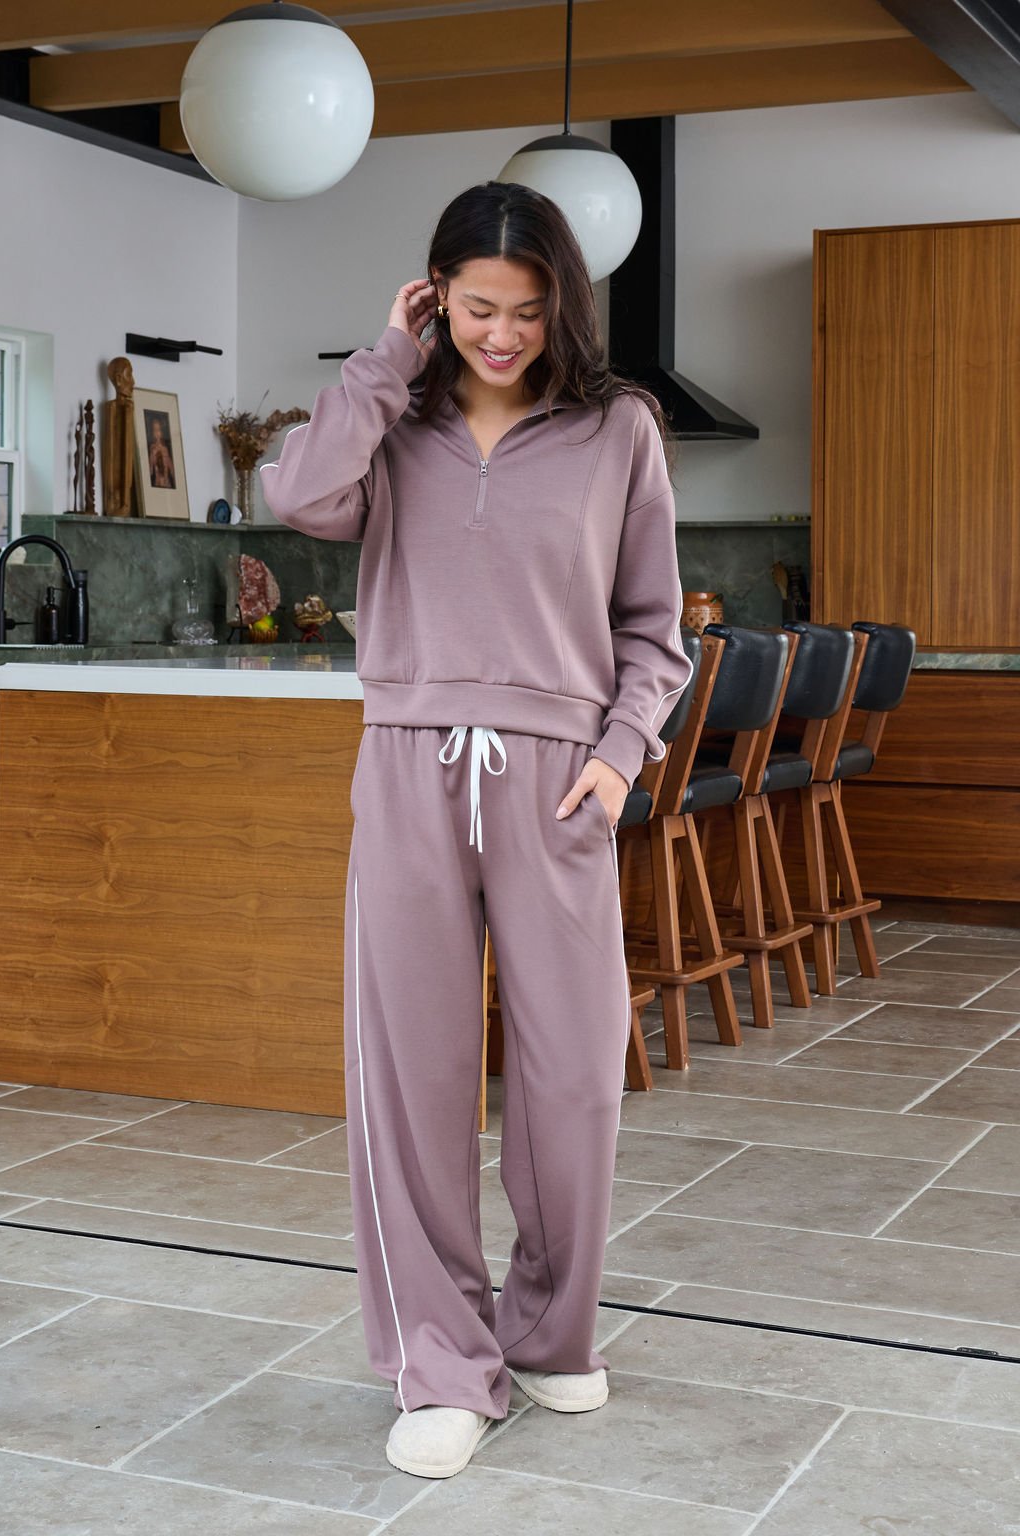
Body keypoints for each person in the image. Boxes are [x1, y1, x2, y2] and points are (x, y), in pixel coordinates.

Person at [260, 180, 692, 1480]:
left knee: (571, 1077)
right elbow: (295, 494)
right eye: (476, 309)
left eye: (527, 312)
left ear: (566, 306)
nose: (501, 336)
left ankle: (552, 1334)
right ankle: (441, 1360)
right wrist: (385, 363)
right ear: (435, 296)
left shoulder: (620, 428)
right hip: (407, 761)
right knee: (413, 1075)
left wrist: (620, 762)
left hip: (559, 775)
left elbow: (654, 628)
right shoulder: (393, 417)